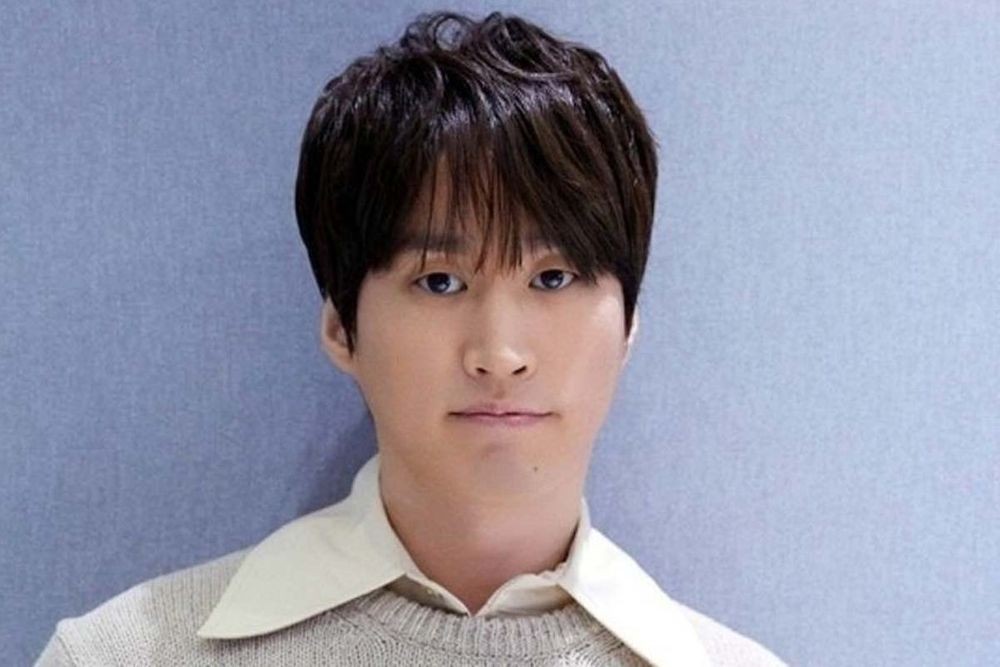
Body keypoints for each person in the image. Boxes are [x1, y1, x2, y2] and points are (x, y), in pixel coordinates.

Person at [36, 10, 787, 666]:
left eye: (553, 278)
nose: (499, 354)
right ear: (342, 325)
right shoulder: (125, 655)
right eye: (440, 281)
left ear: (628, 326)